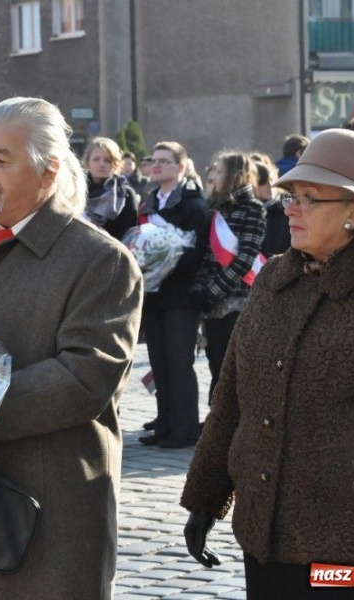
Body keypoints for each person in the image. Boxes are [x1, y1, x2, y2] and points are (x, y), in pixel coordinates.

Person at [180, 128, 354, 599]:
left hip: (353, 547)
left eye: (310, 199)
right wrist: (206, 497)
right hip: (265, 534)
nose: (291, 207)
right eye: (291, 195)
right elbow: (231, 397)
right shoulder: (274, 279)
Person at [0, 97, 143, 600]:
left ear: (48, 170)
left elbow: (84, 379)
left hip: (42, 515)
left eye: (1, 159)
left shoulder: (101, 261)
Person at [137, 141, 210, 448]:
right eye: (154, 161)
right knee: (160, 362)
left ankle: (185, 429)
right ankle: (165, 424)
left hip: (181, 295)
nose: (157, 166)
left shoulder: (193, 204)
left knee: (179, 364)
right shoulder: (149, 202)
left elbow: (203, 250)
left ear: (181, 167)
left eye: (165, 161)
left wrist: (170, 258)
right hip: (154, 295)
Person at [191, 151, 265, 401]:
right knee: (215, 365)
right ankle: (216, 421)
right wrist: (200, 290)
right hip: (212, 303)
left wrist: (212, 291)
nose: (213, 175)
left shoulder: (253, 209)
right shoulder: (214, 208)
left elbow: (245, 259)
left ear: (235, 176)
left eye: (219, 171)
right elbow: (206, 255)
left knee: (231, 367)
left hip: (236, 301)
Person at [83, 137, 140, 241]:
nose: (101, 164)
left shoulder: (125, 194)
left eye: (107, 160)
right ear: (87, 162)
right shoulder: (77, 191)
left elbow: (129, 235)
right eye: (96, 159)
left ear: (115, 164)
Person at [251, 153, 290, 256]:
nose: (270, 185)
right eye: (263, 182)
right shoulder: (248, 211)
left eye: (271, 179)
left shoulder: (288, 205)